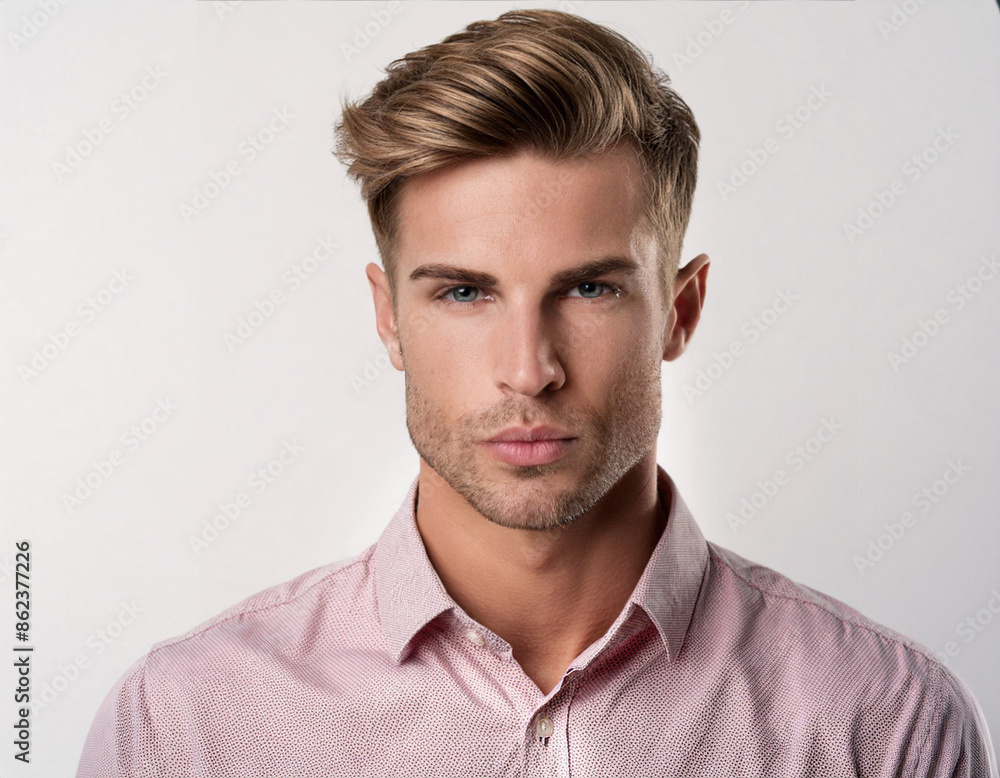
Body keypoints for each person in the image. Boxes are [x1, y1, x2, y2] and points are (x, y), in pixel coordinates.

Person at [77, 8, 997, 777]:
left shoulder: (883, 723)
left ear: (681, 310)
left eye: (589, 288)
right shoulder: (188, 728)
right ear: (389, 317)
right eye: (464, 293)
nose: (529, 369)